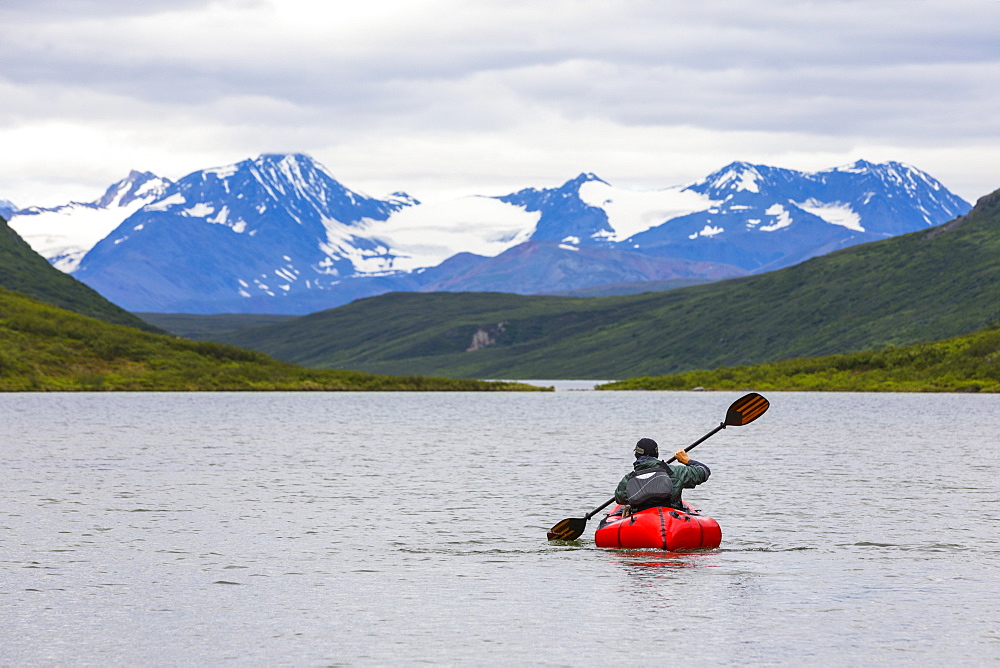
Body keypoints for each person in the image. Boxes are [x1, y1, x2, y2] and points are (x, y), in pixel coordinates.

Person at [614, 437, 711, 511]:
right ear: (656, 454)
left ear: (636, 455)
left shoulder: (628, 479)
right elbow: (704, 471)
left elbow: (620, 499)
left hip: (641, 520)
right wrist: (685, 460)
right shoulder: (675, 472)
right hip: (671, 518)